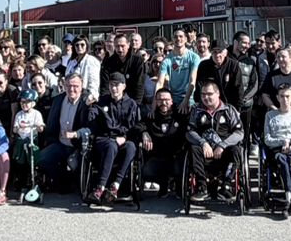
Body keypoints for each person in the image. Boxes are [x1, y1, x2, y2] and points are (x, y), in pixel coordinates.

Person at [186, 84, 245, 197]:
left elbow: (239, 133)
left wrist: (223, 145)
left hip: (224, 150)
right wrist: (203, 143)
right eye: (203, 94)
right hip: (204, 150)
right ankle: (202, 186)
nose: (205, 97)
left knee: (236, 150)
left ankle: (226, 185)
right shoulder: (196, 110)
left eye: (209, 94)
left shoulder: (229, 110)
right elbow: (189, 132)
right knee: (193, 149)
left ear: (218, 94)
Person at [90, 73, 140, 204]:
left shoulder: (132, 104)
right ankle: (100, 187)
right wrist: (89, 106)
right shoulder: (101, 102)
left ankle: (115, 185)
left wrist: (125, 137)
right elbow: (92, 120)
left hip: (124, 138)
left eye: (116, 85)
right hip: (105, 138)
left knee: (131, 147)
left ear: (124, 86)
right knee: (111, 145)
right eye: (111, 85)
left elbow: (135, 126)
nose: (113, 88)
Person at [38, 73, 92, 192]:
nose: (72, 89)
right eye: (69, 86)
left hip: (77, 145)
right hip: (60, 143)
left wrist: (76, 134)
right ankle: (62, 180)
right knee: (42, 159)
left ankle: (74, 180)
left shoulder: (86, 102)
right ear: (64, 85)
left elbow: (91, 128)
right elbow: (51, 122)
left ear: (82, 86)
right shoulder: (58, 100)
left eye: (75, 86)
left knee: (73, 164)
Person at [262, 83, 291, 212]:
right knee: (282, 159)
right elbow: (267, 139)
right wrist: (282, 142)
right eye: (282, 96)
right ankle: (289, 194)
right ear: (277, 97)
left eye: (287, 96)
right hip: (277, 149)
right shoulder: (270, 115)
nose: (285, 99)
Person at [139, 88, 187, 199]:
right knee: (147, 170)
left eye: (166, 100)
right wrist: (144, 133)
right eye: (160, 100)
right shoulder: (151, 116)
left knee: (180, 165)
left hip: (176, 156)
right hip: (158, 156)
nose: (163, 102)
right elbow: (138, 125)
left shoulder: (180, 115)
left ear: (172, 101)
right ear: (155, 101)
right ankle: (163, 186)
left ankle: (178, 186)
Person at [9, 85, 46, 203]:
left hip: (31, 139)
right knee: (20, 161)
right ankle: (21, 182)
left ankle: (34, 181)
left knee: (33, 160)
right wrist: (18, 127)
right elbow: (15, 129)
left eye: (27, 102)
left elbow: (41, 127)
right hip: (22, 139)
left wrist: (39, 126)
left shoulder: (36, 114)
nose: (24, 104)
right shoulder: (19, 115)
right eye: (22, 102)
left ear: (33, 103)